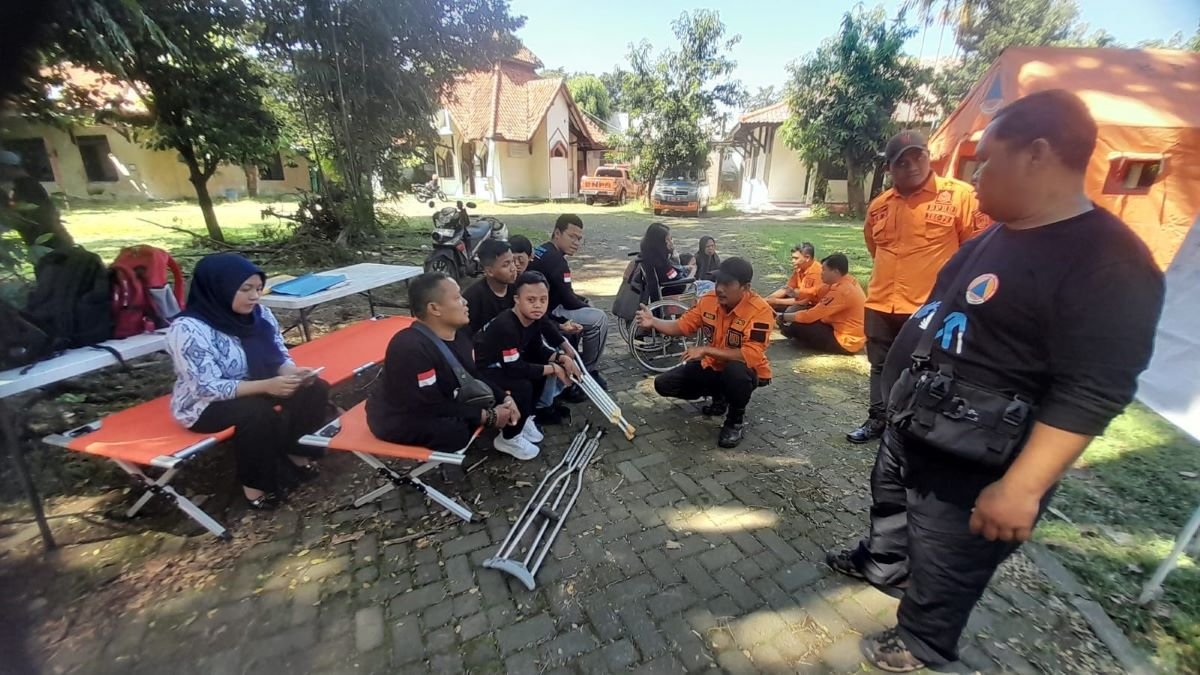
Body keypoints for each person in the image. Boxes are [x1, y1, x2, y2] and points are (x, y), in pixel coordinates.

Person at [826, 90, 1164, 672]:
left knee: (947, 553)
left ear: (1037, 154)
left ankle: (920, 639)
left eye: (986, 159)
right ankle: (883, 564)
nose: (975, 174)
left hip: (978, 454)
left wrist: (1024, 488)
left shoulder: (1109, 262)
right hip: (917, 420)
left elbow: (1094, 390)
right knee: (892, 507)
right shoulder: (996, 235)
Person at [847, 129, 989, 445]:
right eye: (902, 162)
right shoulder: (879, 206)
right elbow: (874, 248)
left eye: (918, 157)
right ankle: (878, 419)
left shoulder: (960, 197)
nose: (912, 166)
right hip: (881, 302)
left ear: (928, 156)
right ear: (889, 169)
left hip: (929, 307)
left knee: (926, 369)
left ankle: (915, 427)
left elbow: (976, 252)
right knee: (879, 366)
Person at [165, 253, 329, 509]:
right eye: (245, 289)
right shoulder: (188, 329)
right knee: (257, 413)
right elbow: (205, 387)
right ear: (219, 288)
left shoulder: (259, 314)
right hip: (204, 405)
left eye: (258, 289)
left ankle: (298, 451)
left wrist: (292, 373)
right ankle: (256, 486)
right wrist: (266, 386)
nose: (254, 296)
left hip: (259, 383)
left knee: (314, 388)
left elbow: (277, 355)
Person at [367, 273, 521, 456]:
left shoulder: (460, 335)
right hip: (399, 416)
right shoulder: (410, 347)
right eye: (457, 298)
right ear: (434, 308)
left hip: (439, 400)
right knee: (456, 433)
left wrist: (505, 398)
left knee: (513, 390)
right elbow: (426, 405)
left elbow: (473, 373)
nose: (465, 302)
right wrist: (486, 416)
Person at [636, 258, 773, 448]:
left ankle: (735, 421)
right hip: (714, 365)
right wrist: (654, 322)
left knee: (736, 372)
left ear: (745, 287)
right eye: (718, 282)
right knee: (664, 384)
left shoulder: (761, 311)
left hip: (747, 370)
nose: (720, 289)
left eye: (727, 284)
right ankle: (721, 396)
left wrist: (706, 350)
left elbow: (750, 355)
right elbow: (681, 326)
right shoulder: (709, 300)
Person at [475, 271, 583, 459]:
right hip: (483, 370)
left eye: (543, 299)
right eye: (531, 300)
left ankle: (525, 418)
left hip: (505, 364)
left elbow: (537, 349)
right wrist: (554, 369)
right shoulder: (507, 326)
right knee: (523, 386)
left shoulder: (534, 319)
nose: (538, 305)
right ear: (517, 299)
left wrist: (560, 358)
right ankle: (508, 438)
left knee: (539, 368)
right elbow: (514, 368)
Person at [530, 214, 610, 388]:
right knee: (599, 318)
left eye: (579, 239)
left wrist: (582, 301)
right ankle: (588, 371)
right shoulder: (557, 262)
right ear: (557, 233)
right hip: (548, 312)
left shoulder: (542, 250)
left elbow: (565, 293)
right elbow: (569, 302)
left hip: (540, 306)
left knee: (586, 306)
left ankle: (576, 356)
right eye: (572, 236)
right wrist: (586, 305)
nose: (576, 243)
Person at [779, 253, 865, 355]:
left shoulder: (842, 291)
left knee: (798, 325)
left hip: (846, 341)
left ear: (835, 272)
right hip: (840, 328)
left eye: (824, 270)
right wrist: (797, 293)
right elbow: (816, 292)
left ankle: (788, 329)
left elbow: (810, 316)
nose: (821, 273)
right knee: (801, 315)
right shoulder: (845, 280)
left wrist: (783, 317)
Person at [0, 149, 73, 250]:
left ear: (6, 167)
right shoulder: (23, 184)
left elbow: (33, 213)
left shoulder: (26, 185)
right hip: (47, 236)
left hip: (48, 239)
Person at [463, 239, 517, 337]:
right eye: (506, 265)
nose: (513, 268)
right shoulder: (473, 298)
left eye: (513, 261)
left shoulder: (519, 287)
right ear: (489, 271)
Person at [766, 243, 827, 315]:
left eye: (796, 258)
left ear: (807, 258)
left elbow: (805, 300)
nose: (793, 261)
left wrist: (776, 301)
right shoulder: (800, 267)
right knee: (769, 304)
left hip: (813, 305)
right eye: (792, 258)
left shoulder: (818, 273)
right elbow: (787, 289)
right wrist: (768, 299)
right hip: (799, 298)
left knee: (790, 311)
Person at [639, 222, 692, 298]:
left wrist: (686, 268)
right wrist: (693, 271)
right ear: (659, 243)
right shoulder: (662, 264)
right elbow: (676, 279)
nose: (671, 242)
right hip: (675, 292)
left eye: (671, 239)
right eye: (668, 240)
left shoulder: (649, 255)